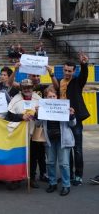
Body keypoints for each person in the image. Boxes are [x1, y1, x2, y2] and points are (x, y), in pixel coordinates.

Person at [36, 86, 76, 196]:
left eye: (53, 96)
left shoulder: (63, 107)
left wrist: (72, 115)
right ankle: (52, 183)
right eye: (49, 96)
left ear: (57, 97)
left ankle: (66, 185)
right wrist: (37, 114)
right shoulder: (43, 108)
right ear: (45, 98)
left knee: (64, 164)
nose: (52, 98)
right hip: (49, 140)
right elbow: (37, 124)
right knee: (50, 163)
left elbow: (73, 124)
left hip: (63, 140)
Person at [58, 53, 89, 186]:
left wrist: (84, 64)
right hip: (63, 119)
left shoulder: (77, 81)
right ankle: (68, 174)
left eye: (69, 71)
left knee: (77, 148)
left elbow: (84, 75)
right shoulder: (60, 81)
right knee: (66, 147)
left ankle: (78, 175)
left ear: (74, 71)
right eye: (65, 70)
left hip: (75, 119)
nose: (67, 73)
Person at [6, 79, 42, 189]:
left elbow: (44, 114)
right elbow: (9, 116)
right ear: (21, 88)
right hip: (19, 134)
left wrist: (37, 113)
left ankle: (31, 178)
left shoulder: (38, 99)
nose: (27, 89)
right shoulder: (15, 99)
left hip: (34, 132)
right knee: (18, 157)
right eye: (25, 87)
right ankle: (16, 179)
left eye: (29, 87)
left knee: (33, 156)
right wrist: (21, 117)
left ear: (33, 88)